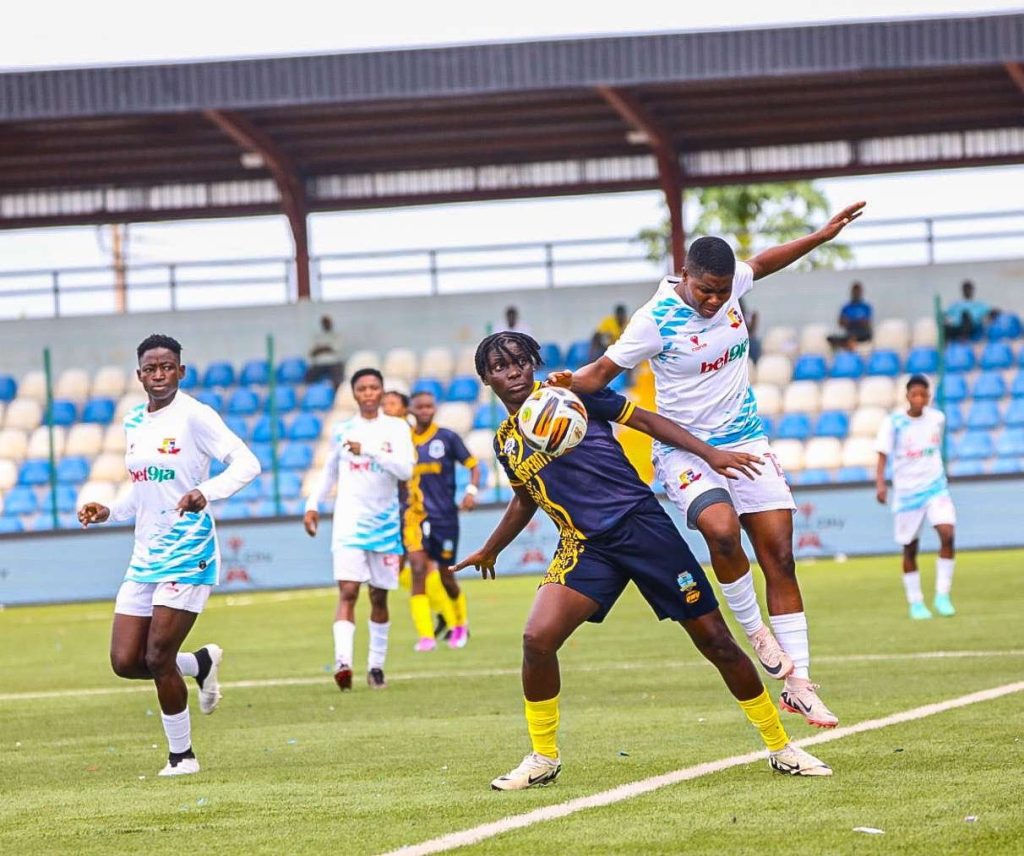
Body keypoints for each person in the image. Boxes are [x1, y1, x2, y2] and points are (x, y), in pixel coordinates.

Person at [453, 331, 831, 790]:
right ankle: (543, 757)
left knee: (715, 641)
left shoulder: (573, 394)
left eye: (518, 362)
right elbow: (524, 498)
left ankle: (781, 747)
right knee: (537, 638)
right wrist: (492, 547)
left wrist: (709, 454)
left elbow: (648, 422)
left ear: (532, 363)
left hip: (641, 527)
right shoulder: (506, 442)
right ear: (485, 379)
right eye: (498, 367)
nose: (511, 372)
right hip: (585, 546)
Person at [554, 201, 866, 730]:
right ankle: (757, 633)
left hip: (747, 441)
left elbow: (764, 263)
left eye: (724, 291)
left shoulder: (732, 286)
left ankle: (800, 685)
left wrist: (822, 234)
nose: (716, 300)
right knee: (721, 533)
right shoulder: (654, 320)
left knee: (781, 558)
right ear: (687, 278)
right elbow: (602, 373)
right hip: (684, 449)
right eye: (707, 291)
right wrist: (557, 386)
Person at [77, 333, 261, 777]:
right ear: (139, 376)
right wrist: (109, 510)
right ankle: (199, 663)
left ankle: (183, 756)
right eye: (150, 369)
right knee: (125, 661)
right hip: (145, 554)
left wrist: (205, 491)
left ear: (181, 370)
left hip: (189, 551)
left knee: (158, 656)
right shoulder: (133, 422)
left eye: (167, 367)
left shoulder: (196, 416)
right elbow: (143, 492)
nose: (159, 375)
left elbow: (247, 463)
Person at [303, 368, 415, 691]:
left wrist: (368, 449)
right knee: (348, 591)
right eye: (362, 388)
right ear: (354, 394)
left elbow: (406, 470)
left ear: (381, 392)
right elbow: (329, 474)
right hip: (349, 523)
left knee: (379, 597)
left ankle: (376, 667)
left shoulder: (396, 429)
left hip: (384, 523)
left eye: (373, 388)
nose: (368, 393)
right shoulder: (342, 430)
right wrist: (313, 504)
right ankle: (343, 663)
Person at [403, 390, 481, 650]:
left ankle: (460, 625)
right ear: (411, 410)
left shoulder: (447, 438)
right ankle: (426, 635)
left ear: (434, 409)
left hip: (445, 517)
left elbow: (473, 465)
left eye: (429, 406)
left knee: (447, 576)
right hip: (415, 518)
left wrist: (470, 492)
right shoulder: (403, 441)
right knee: (417, 571)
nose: (425, 410)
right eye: (420, 406)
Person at [875, 375, 957, 620]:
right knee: (910, 548)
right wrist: (881, 484)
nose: (919, 399)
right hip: (907, 494)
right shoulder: (894, 423)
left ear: (929, 397)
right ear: (907, 396)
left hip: (935, 488)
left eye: (924, 395)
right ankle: (916, 602)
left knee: (947, 534)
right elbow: (882, 455)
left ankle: (943, 595)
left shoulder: (937, 419)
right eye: (915, 395)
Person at [827, 281, 873, 351]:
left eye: (858, 291)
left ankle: (849, 344)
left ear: (861, 292)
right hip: (850, 332)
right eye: (854, 291)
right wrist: (856, 321)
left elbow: (866, 323)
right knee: (830, 338)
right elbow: (841, 323)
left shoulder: (866, 307)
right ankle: (848, 343)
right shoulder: (846, 307)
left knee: (855, 336)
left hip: (863, 333)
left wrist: (850, 321)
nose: (856, 293)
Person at [306, 315, 345, 387]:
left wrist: (320, 348)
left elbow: (334, 349)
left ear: (331, 323)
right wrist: (326, 347)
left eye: (328, 322)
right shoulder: (317, 336)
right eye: (324, 323)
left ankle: (338, 394)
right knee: (307, 379)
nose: (326, 324)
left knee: (338, 380)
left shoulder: (336, 336)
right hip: (319, 363)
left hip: (334, 362)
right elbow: (312, 352)